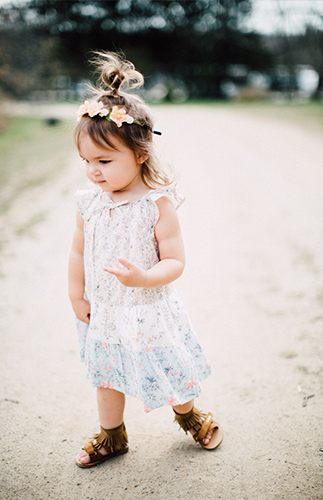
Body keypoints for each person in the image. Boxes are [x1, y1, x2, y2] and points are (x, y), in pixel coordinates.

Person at [68, 51, 223, 468]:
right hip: (104, 312)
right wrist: (76, 294)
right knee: (106, 376)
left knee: (169, 370)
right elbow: (78, 251)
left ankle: (191, 418)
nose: (93, 172)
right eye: (87, 161)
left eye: (104, 161)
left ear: (139, 154)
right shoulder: (90, 203)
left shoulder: (157, 204)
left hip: (149, 309)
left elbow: (174, 261)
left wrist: (144, 278)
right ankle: (112, 436)